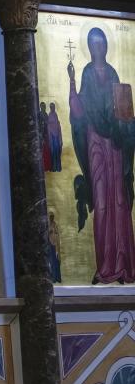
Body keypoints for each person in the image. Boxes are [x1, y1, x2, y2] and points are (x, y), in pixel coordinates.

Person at [69, 27, 135, 284]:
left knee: (120, 201)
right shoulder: (87, 73)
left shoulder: (113, 73)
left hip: (116, 148)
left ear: (106, 46)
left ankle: (125, 265)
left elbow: (124, 110)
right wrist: (73, 81)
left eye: (102, 44)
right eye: (94, 44)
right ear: (90, 47)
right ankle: (106, 267)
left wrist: (127, 122)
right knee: (102, 202)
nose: (99, 48)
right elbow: (78, 110)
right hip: (96, 145)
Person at [48, 102, 63, 172]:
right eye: (51, 107)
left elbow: (58, 126)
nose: (52, 108)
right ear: (50, 108)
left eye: (53, 107)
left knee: (57, 152)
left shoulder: (55, 114)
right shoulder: (50, 115)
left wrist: (60, 139)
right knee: (53, 153)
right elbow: (49, 126)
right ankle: (54, 167)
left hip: (56, 136)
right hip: (52, 136)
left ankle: (58, 167)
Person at [39, 101, 52, 171]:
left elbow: (48, 123)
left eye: (44, 106)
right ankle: (44, 167)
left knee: (47, 150)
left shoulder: (46, 114)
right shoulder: (39, 115)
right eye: (42, 106)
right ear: (40, 107)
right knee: (43, 151)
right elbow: (39, 125)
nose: (43, 107)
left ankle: (48, 166)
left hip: (47, 134)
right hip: (42, 134)